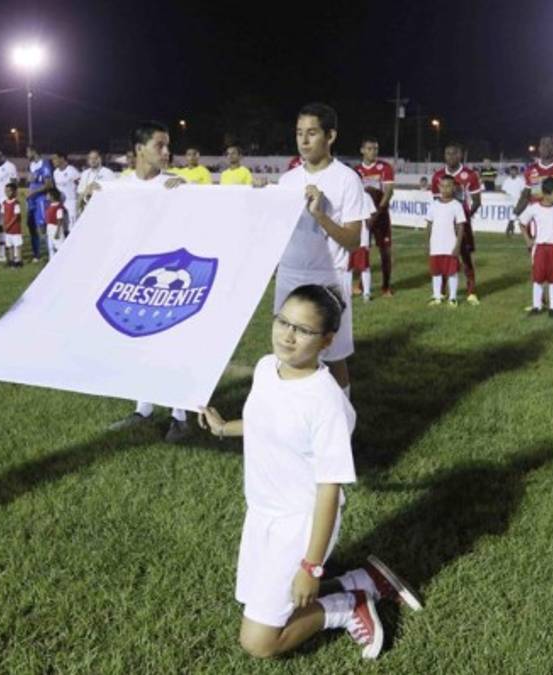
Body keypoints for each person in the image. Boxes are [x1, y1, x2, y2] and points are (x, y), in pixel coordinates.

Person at [197, 284, 422, 661]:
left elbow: (328, 492)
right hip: (262, 512)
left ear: (327, 340)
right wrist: (223, 428)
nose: (287, 335)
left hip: (299, 522)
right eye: (283, 322)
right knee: (261, 600)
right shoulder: (267, 367)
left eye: (302, 330)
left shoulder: (326, 403)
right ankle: (362, 580)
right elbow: (266, 423)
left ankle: (348, 606)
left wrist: (311, 566)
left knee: (258, 642)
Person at [102, 120, 193, 441]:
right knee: (137, 344)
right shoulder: (118, 186)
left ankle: (180, 415)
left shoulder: (174, 185)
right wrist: (92, 198)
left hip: (166, 280)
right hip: (133, 280)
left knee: (171, 345)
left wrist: (187, 196)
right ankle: (143, 408)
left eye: (168, 145)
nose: (167, 152)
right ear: (139, 149)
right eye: (160, 145)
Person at [274, 103, 372, 397]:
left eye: (312, 133)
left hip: (328, 278)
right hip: (290, 276)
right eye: (299, 133)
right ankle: (292, 417)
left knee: (333, 355)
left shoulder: (347, 179)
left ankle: (343, 418)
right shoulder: (287, 180)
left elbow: (353, 241)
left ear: (330, 136)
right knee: (287, 353)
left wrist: (320, 215)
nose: (303, 141)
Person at [509, 134, 553, 315]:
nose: (546, 147)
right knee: (538, 264)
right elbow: (525, 196)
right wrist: (512, 217)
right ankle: (539, 302)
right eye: (543, 144)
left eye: (550, 144)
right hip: (537, 222)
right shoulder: (531, 170)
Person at [431, 144, 482, 304]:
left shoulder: (470, 175)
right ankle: (441, 292)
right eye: (448, 153)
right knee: (443, 256)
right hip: (444, 227)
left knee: (466, 257)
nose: (451, 157)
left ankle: (471, 292)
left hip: (462, 225)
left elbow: (477, 201)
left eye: (454, 153)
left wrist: (464, 218)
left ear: (460, 155)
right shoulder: (437, 176)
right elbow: (436, 201)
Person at [517, 177, 553, 317]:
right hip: (539, 247)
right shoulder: (534, 208)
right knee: (538, 278)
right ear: (546, 194)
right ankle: (537, 306)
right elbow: (522, 223)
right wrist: (528, 240)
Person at [354, 136, 396, 298]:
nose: (373, 152)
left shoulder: (385, 167)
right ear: (362, 150)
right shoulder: (356, 170)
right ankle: (361, 285)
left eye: (376, 149)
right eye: (370, 149)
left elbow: (389, 191)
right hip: (364, 217)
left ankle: (386, 287)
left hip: (381, 216)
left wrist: (377, 213)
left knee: (385, 251)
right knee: (363, 250)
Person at [425, 175, 466, 306]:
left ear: (453, 188)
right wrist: (428, 242)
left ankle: (453, 297)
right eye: (442, 186)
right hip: (436, 245)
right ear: (438, 187)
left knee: (452, 272)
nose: (445, 189)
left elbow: (460, 226)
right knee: (436, 272)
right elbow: (429, 224)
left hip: (450, 245)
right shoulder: (433, 205)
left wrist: (457, 246)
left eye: (448, 186)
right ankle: (437, 296)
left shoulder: (457, 205)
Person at [26, 147, 54, 263]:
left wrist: (33, 192)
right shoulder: (31, 165)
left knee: (43, 227)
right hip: (31, 200)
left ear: (34, 151)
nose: (27, 154)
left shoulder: (45, 164)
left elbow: (48, 184)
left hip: (41, 199)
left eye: (28, 152)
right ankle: (36, 254)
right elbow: (30, 181)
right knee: (31, 226)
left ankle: (51, 252)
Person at [0, 151, 18, 263]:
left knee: (10, 225)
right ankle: (2, 254)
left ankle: (14, 252)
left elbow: (14, 184)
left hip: (7, 201)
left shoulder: (11, 166)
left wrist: (12, 200)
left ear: (1, 155)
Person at [77, 149, 115, 214]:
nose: (92, 160)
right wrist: (79, 208)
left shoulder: (108, 173)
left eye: (95, 158)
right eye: (90, 158)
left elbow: (112, 192)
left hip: (102, 207)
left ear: (100, 159)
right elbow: (80, 192)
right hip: (87, 208)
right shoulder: (84, 173)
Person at [52, 151, 81, 228]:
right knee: (61, 227)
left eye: (55, 158)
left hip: (71, 203)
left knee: (72, 227)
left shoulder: (72, 171)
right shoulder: (55, 173)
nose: (53, 161)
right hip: (60, 204)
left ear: (62, 159)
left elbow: (81, 185)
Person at [1, 183, 24, 267]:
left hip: (15, 228)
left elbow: (16, 216)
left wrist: (9, 225)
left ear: (14, 192)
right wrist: (4, 224)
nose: (7, 193)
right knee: (9, 245)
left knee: (17, 244)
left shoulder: (16, 203)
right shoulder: (4, 203)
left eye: (9, 191)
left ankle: (19, 260)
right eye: (6, 191)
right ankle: (11, 260)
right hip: (8, 229)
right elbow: (3, 215)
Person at [44, 187, 66, 259]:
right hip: (49, 228)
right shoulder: (50, 205)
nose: (46, 196)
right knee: (51, 247)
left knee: (59, 246)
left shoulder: (58, 207)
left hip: (56, 228)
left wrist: (57, 232)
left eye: (48, 195)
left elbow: (60, 220)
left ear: (52, 196)